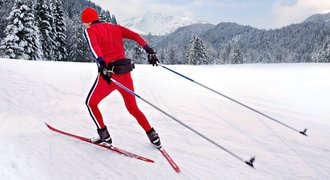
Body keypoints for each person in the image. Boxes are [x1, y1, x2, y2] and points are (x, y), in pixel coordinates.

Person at [81, 7, 161, 149]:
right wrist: (148, 50)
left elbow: (94, 47)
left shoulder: (89, 30)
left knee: (91, 103)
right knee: (133, 108)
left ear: (87, 22)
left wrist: (101, 63)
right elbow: (135, 36)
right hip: (125, 75)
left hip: (108, 77)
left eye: (84, 23)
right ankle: (153, 135)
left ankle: (104, 135)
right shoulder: (115, 28)